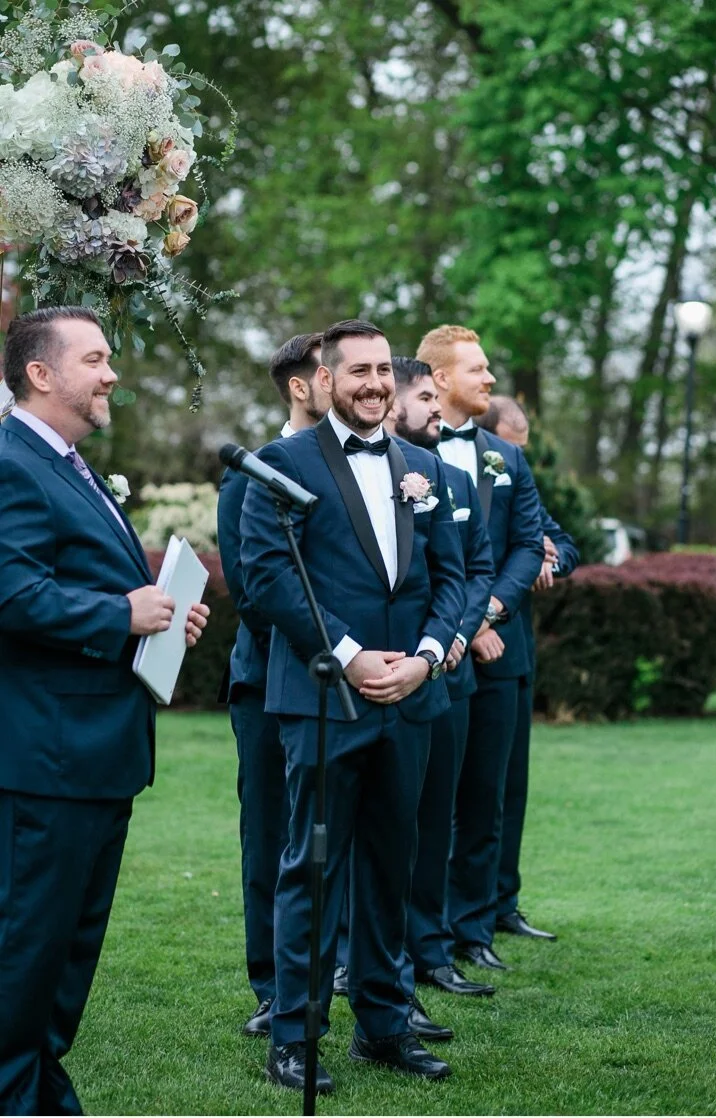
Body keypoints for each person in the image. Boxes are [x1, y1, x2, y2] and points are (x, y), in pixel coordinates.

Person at [239, 319, 468, 1091]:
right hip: (324, 697)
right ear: (326, 380)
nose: (374, 383)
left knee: (390, 868)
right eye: (358, 371)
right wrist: (349, 654)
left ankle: (383, 1022)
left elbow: (453, 579)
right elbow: (267, 577)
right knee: (313, 866)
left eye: (382, 370)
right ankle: (295, 1036)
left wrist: (428, 659)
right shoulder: (280, 463)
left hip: (409, 701)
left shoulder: (421, 466)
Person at [0, 306, 209, 1114]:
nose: (112, 372)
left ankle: (43, 1090)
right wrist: (119, 616)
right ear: (40, 374)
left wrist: (161, 615)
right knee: (23, 960)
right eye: (95, 358)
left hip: (99, 756)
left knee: (62, 967)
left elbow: (83, 584)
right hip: (44, 761)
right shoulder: (13, 461)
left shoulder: (74, 465)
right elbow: (13, 592)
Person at [418, 325, 545, 975]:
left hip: (494, 650)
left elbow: (529, 545)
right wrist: (459, 627)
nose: (490, 379)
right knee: (424, 799)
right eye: (477, 370)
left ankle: (472, 927)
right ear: (439, 378)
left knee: (485, 797)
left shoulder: (507, 458)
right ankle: (420, 931)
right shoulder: (406, 450)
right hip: (427, 654)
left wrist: (488, 612)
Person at [218, 332, 326, 1039]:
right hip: (267, 682)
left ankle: (333, 970)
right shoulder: (251, 474)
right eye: (330, 372)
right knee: (271, 837)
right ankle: (271, 985)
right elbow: (252, 590)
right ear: (300, 385)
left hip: (346, 684)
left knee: (328, 838)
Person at [386, 357, 498, 1017]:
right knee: (384, 828)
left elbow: (471, 566)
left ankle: (431, 951)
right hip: (378, 679)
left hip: (447, 678)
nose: (435, 408)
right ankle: (371, 956)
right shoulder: (369, 479)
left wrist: (455, 634)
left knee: (435, 824)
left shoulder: (451, 479)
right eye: (424, 398)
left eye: (436, 396)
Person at [481, 394, 579, 943]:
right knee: (476, 796)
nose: (517, 462)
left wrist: (549, 558)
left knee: (511, 790)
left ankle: (503, 901)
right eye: (511, 449)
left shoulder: (515, 478)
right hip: (472, 645)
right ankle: (465, 910)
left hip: (514, 652)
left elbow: (564, 543)